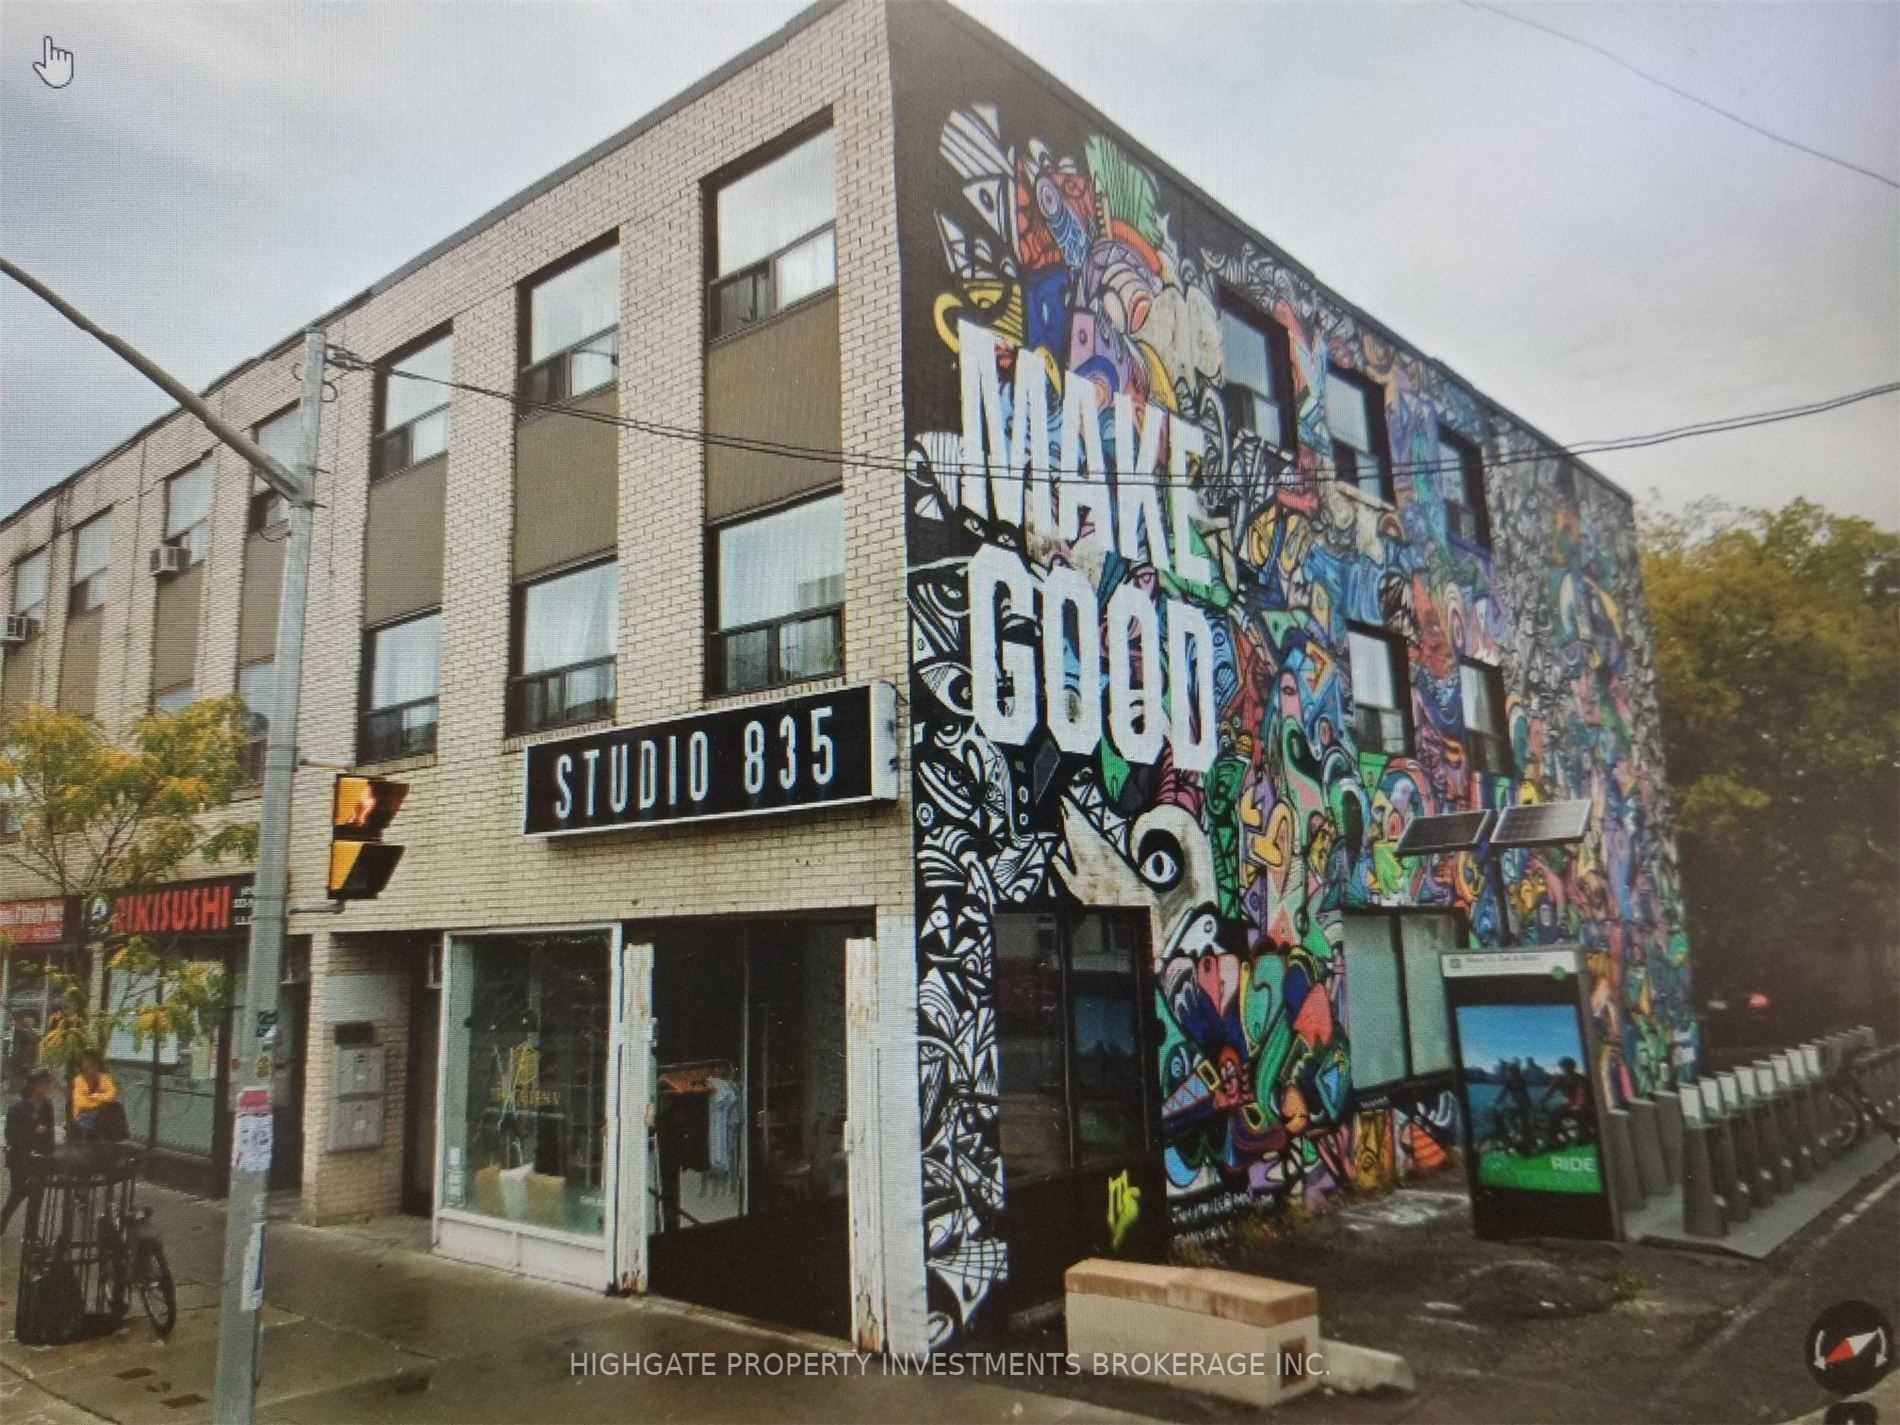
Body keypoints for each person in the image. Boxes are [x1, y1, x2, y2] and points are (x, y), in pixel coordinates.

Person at [2, 1068, 57, 1234]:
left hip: (40, 1159)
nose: (49, 1087)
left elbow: (49, 1133)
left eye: (49, 1083)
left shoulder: (47, 1106)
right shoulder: (17, 1109)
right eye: (46, 1083)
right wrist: (33, 1132)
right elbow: (11, 1136)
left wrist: (51, 1153)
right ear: (36, 1085)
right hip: (20, 1158)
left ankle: (31, 1235)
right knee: (17, 1193)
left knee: (37, 1196)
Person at [69, 1051, 120, 1140]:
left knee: (116, 1106)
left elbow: (113, 1093)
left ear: (97, 1065)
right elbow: (81, 1103)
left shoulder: (104, 1078)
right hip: (82, 1115)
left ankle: (114, 1137)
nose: (90, 1069)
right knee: (104, 1111)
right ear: (82, 1068)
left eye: (92, 1065)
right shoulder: (79, 1080)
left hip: (100, 1114)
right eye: (86, 1066)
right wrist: (101, 1101)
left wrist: (97, 1097)